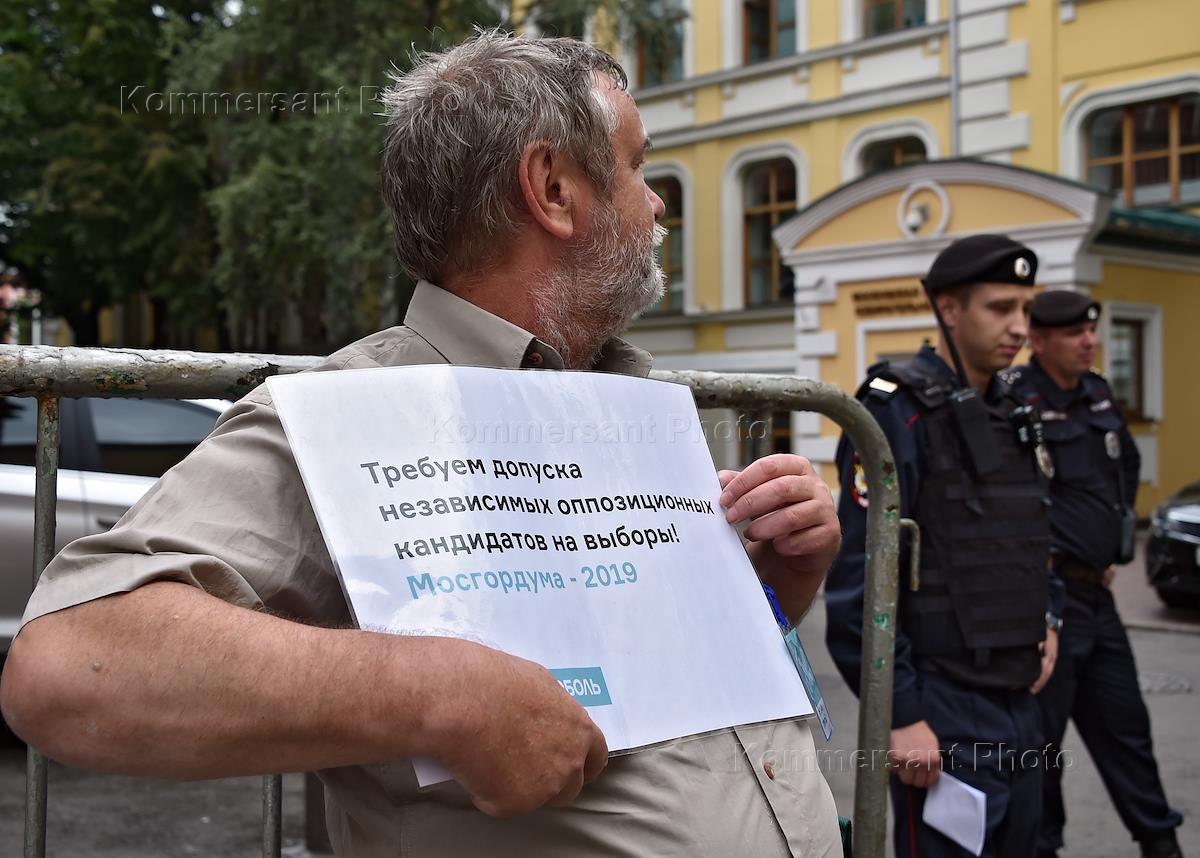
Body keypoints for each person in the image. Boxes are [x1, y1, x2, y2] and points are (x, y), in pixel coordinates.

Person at [0, 32, 845, 858]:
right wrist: (438, 695)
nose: (656, 204)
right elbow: (71, 664)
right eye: (636, 167)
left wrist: (772, 584)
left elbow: (659, 686)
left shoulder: (629, 402)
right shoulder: (352, 415)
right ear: (553, 188)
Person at [825, 234, 1062, 858]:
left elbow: (1034, 531)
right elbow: (859, 584)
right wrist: (900, 713)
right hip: (941, 708)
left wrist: (1051, 615)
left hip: (1019, 700)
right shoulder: (894, 412)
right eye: (1001, 308)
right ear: (950, 309)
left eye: (1025, 309)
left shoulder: (1015, 411)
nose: (1020, 327)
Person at [1005, 290, 1184, 858]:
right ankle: (1043, 847)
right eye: (1075, 334)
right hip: (1047, 598)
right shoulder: (1015, 400)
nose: (1090, 341)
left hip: (1098, 596)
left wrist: (1112, 539)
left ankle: (1161, 841)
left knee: (1127, 728)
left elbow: (1125, 462)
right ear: (1039, 341)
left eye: (1092, 331)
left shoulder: (1098, 392)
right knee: (1042, 745)